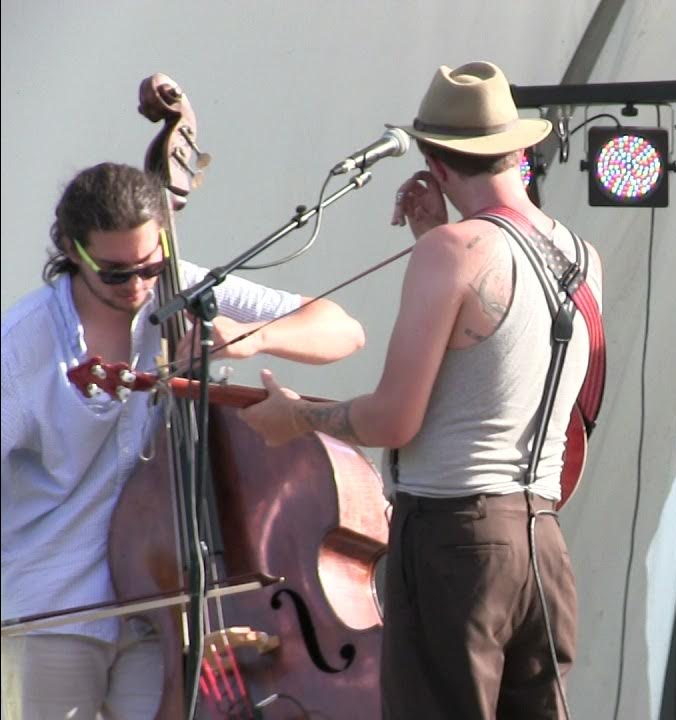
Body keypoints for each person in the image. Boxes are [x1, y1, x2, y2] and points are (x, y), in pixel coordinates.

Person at [241, 61, 603, 720]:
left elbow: (392, 420)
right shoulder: (580, 254)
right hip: (542, 538)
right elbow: (502, 361)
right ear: (518, 151)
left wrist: (298, 418)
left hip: (454, 540)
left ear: (436, 166)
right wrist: (438, 236)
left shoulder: (453, 253)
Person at [0, 162, 366, 718]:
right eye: (117, 273)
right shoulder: (23, 344)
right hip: (57, 602)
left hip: (163, 609)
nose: (141, 286)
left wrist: (252, 338)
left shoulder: (188, 290)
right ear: (74, 251)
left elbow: (343, 329)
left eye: (151, 265)